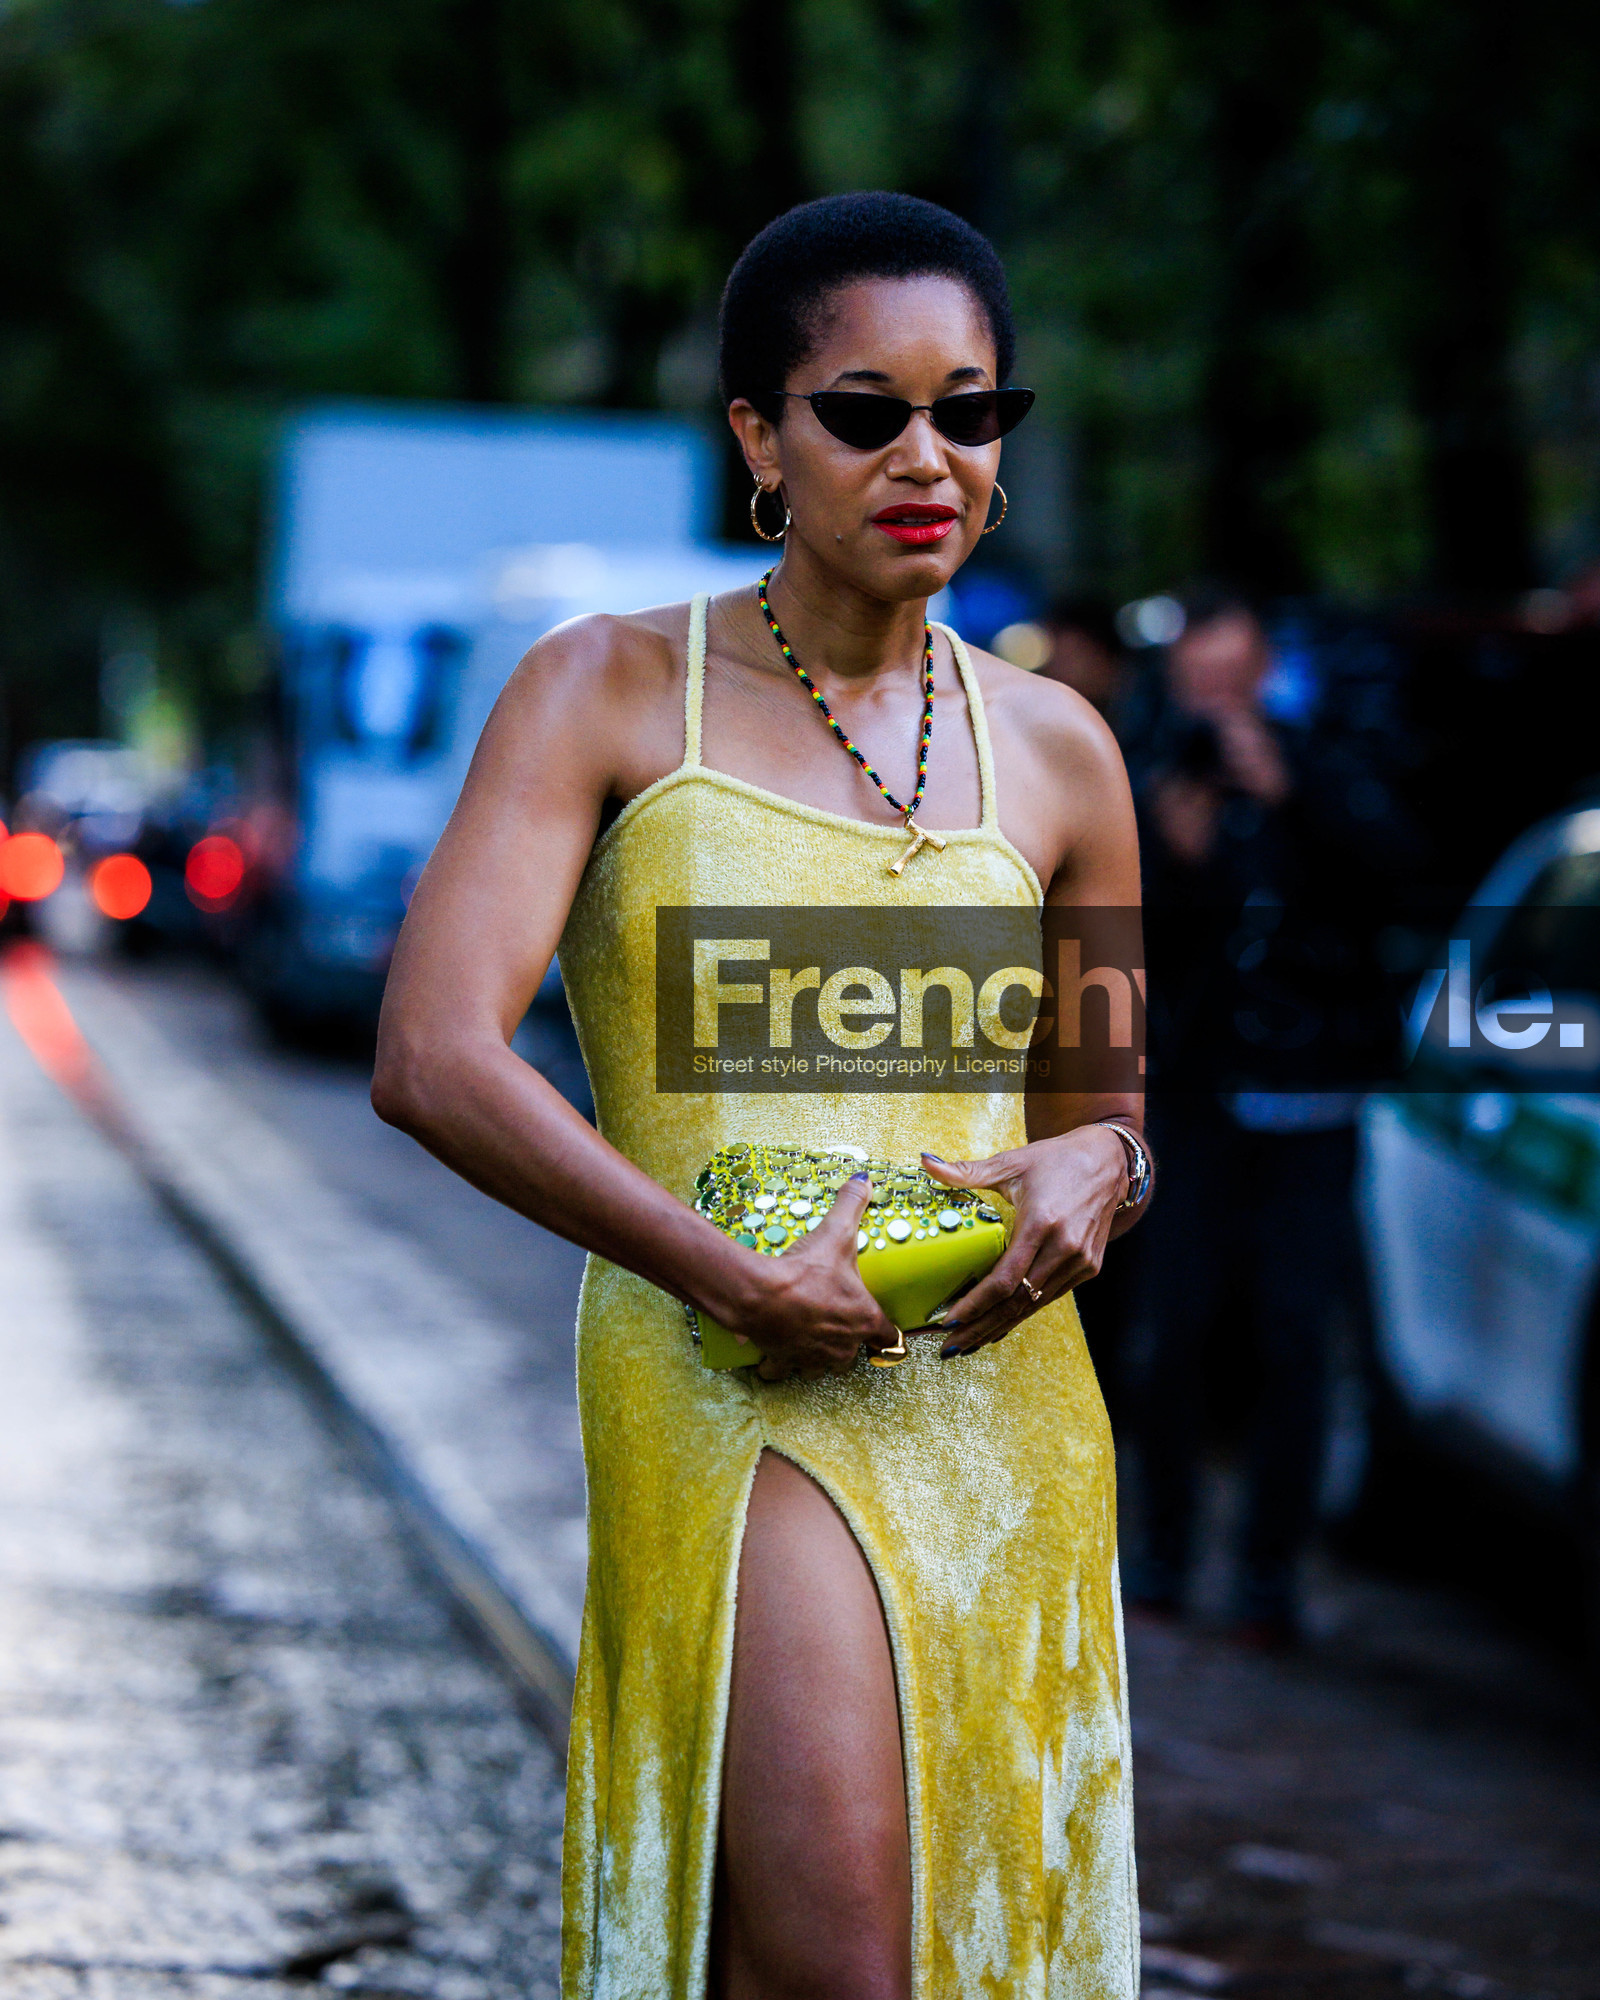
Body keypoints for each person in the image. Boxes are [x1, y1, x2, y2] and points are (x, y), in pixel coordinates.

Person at [373, 192, 1150, 2000]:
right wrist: (722, 1272)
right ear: (755, 434)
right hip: (734, 1380)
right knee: (841, 1957)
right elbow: (433, 1054)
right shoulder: (604, 687)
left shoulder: (1067, 753)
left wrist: (1094, 1169)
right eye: (865, 410)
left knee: (960, 1937)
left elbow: (1111, 1099)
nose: (928, 457)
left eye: (971, 412)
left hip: (1007, 1410)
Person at [1123, 588, 1403, 1648]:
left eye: (1233, 681)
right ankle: (1158, 1553)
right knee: (1172, 1338)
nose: (1215, 704)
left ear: (1265, 673)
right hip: (1192, 1102)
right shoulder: (1144, 768)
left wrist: (1292, 792)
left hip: (1313, 1101)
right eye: (1199, 681)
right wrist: (1179, 855)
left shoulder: (1321, 761)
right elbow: (1113, 937)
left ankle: (1267, 1580)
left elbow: (1396, 875)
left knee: (1294, 1343)